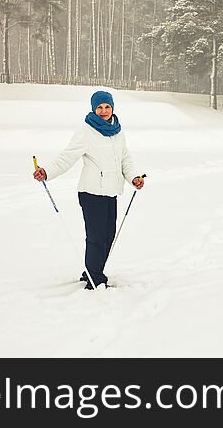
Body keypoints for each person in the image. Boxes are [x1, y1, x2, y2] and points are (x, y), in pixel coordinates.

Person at [33, 90, 144, 289]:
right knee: (96, 237)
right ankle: (95, 279)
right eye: (99, 107)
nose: (103, 111)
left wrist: (133, 177)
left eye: (107, 107)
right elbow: (67, 157)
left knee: (108, 236)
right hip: (91, 193)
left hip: (111, 192)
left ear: (112, 108)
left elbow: (125, 159)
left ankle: (92, 271)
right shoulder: (86, 131)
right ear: (93, 108)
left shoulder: (117, 131)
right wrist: (46, 172)